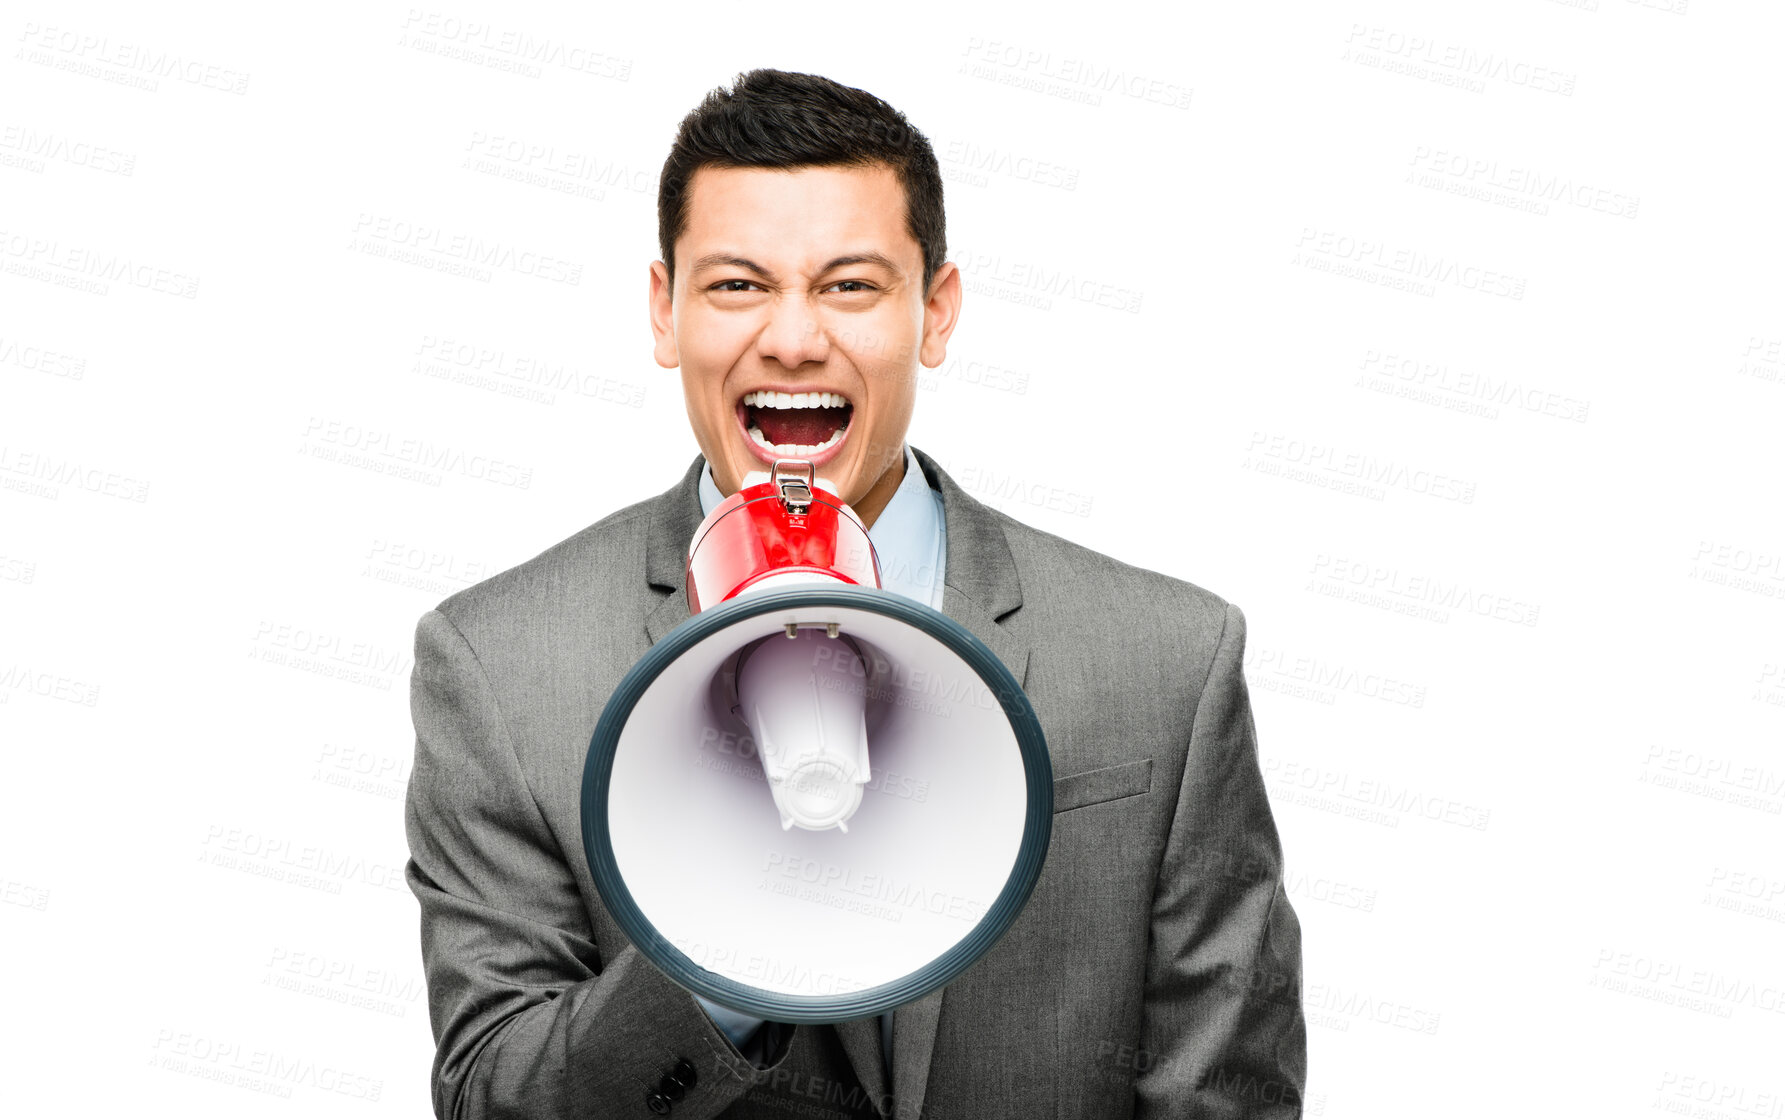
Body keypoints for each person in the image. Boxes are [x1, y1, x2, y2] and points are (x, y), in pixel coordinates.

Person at [404, 68, 1306, 1119]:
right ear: (665, 313)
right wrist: (729, 943)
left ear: (935, 312)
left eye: (849, 285)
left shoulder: (1166, 659)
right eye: (738, 284)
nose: (792, 337)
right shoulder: (500, 664)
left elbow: (1225, 1095)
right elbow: (492, 1099)